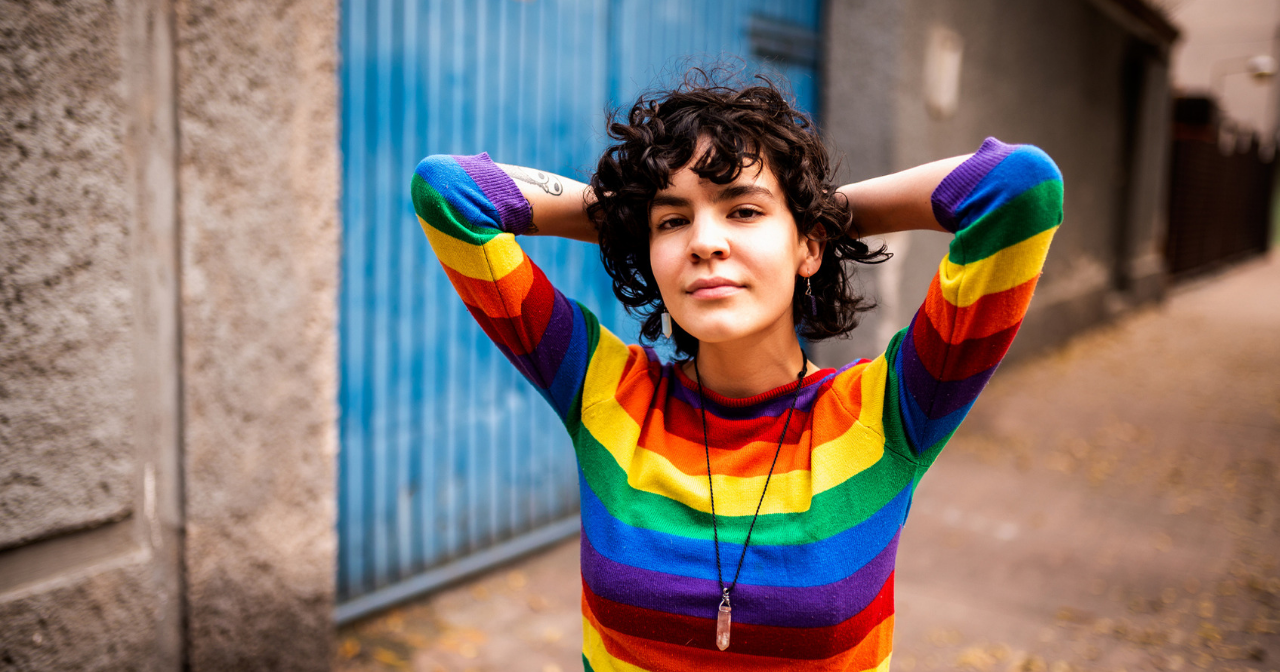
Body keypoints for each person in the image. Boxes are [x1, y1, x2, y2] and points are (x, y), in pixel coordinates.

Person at [410, 73, 1063, 671]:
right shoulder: (605, 391)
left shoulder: (887, 413)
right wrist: (635, 217)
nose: (704, 242)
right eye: (674, 221)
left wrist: (819, 212)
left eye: (743, 211)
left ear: (809, 246)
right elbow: (451, 192)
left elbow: (1018, 188)